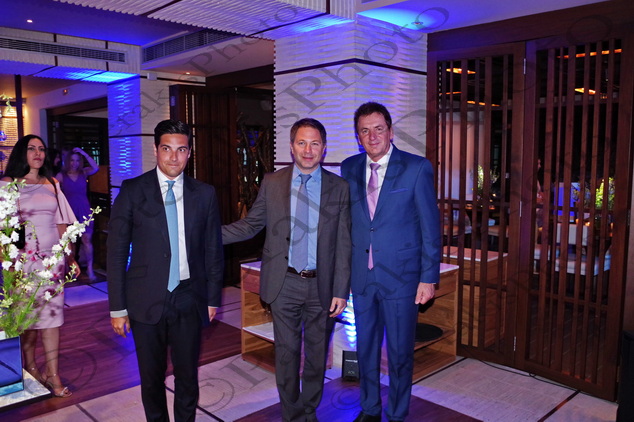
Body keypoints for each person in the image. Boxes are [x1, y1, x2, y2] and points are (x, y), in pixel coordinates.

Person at [222, 118, 351, 422]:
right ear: (292, 147)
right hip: (284, 283)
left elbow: (345, 243)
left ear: (324, 147)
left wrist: (341, 290)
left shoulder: (339, 187)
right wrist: (204, 235)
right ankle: (292, 414)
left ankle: (310, 410)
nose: (308, 150)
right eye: (302, 143)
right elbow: (251, 225)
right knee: (287, 352)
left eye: (315, 143)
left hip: (322, 286)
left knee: (317, 355)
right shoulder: (273, 182)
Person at [107, 119, 224, 422]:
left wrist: (213, 298)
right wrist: (117, 307)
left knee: (188, 376)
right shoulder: (133, 190)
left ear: (190, 152)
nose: (174, 157)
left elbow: (213, 249)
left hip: (189, 296)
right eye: (167, 149)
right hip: (145, 298)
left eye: (181, 149)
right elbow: (116, 253)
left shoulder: (204, 194)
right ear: (156, 150)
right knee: (151, 378)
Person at [341, 102, 441, 422]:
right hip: (362, 277)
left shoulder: (416, 167)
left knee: (399, 354)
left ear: (391, 131)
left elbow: (430, 227)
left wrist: (428, 277)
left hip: (402, 279)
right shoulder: (348, 168)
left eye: (378, 129)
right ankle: (370, 408)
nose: (372, 136)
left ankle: (397, 413)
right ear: (358, 136)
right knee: (366, 349)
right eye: (365, 131)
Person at [1, 134, 79, 398]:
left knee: (52, 320)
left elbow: (61, 223)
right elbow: (4, 229)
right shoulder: (8, 184)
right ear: (22, 153)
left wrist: (69, 257)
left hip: (53, 262)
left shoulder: (53, 184)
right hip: (23, 264)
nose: (38, 153)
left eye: (42, 149)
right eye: (32, 148)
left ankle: (53, 374)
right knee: (26, 321)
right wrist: (9, 265)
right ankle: (31, 367)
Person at [56, 147, 100, 281]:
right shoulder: (61, 175)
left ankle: (90, 269)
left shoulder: (84, 172)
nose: (74, 163)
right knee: (69, 242)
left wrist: (84, 153)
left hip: (84, 210)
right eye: (72, 160)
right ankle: (69, 270)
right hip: (69, 211)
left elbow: (95, 167)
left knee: (87, 240)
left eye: (77, 160)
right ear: (67, 161)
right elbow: (52, 189)